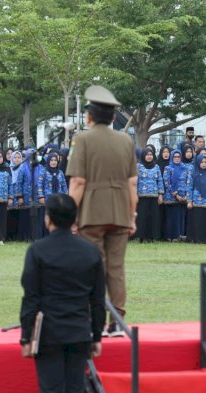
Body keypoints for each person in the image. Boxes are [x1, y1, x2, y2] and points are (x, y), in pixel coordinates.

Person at [19, 193, 105, 393]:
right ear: (74, 220)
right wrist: (97, 336)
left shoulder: (38, 250)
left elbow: (31, 299)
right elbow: (98, 300)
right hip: (80, 332)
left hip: (49, 334)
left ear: (48, 220)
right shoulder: (90, 251)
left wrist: (25, 336)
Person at [67, 85, 137, 335]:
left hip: (91, 213)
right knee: (116, 268)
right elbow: (132, 183)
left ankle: (90, 319)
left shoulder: (82, 140)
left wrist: (69, 215)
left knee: (91, 266)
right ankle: (116, 321)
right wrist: (132, 215)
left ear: (89, 116)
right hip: (120, 211)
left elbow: (78, 182)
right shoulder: (126, 141)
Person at [135, 147, 164, 242]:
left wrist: (160, 194)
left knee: (153, 217)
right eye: (147, 155)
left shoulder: (156, 167)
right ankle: (141, 236)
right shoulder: (138, 166)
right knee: (142, 217)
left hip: (154, 196)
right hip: (142, 196)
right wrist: (135, 194)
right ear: (143, 156)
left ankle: (152, 237)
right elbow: (135, 181)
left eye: (151, 155)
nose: (149, 157)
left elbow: (160, 180)